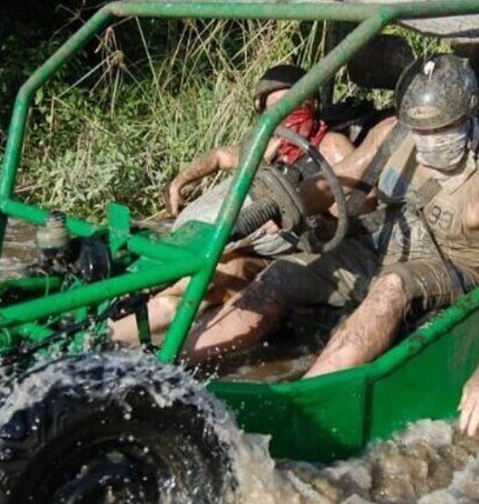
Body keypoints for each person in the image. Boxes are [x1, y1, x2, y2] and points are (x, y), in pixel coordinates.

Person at [181, 54, 479, 438]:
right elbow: (336, 181)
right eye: (420, 130)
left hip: (453, 264)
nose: (428, 142)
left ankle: (298, 405)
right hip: (387, 242)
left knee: (393, 285)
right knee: (283, 273)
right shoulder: (393, 132)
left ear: (467, 118)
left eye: (440, 130)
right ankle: (178, 368)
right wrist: (271, 209)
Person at [110, 64, 354, 344]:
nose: (286, 116)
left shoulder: (332, 147)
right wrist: (179, 182)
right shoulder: (269, 148)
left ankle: (149, 339)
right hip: (244, 244)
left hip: (300, 251)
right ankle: (110, 334)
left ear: (312, 103)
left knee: (221, 274)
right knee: (186, 288)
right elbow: (220, 156)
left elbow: (351, 213)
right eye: (275, 109)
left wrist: (311, 214)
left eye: (292, 104)